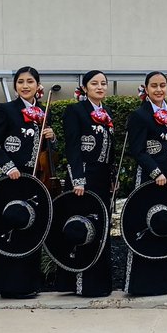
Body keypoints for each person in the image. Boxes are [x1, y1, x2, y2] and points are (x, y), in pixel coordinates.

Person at [0, 66, 57, 299]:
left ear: (37, 85)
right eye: (21, 81)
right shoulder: (6, 109)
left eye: (30, 82)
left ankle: (28, 284)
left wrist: (51, 138)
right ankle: (8, 284)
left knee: (31, 230)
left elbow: (49, 152)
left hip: (35, 180)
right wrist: (9, 166)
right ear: (15, 86)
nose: (25, 86)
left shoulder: (44, 112)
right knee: (11, 227)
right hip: (13, 179)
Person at [123, 71, 167, 296]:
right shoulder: (139, 116)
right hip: (148, 179)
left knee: (163, 226)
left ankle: (162, 282)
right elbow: (138, 151)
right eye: (154, 86)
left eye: (163, 85)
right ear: (146, 88)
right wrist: (155, 172)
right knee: (143, 226)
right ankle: (139, 284)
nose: (159, 89)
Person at [59, 70, 117, 297]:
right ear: (84, 88)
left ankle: (99, 282)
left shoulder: (107, 112)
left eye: (103, 83)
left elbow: (111, 151)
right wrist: (78, 179)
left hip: (102, 178)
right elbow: (72, 147)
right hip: (82, 179)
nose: (100, 87)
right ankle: (78, 283)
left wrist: (112, 178)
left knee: (100, 227)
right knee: (82, 227)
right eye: (94, 83)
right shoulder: (75, 111)